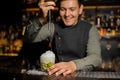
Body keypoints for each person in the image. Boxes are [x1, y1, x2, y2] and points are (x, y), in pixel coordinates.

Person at [23, 0, 102, 76]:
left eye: (72, 9)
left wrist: (73, 65)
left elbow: (95, 58)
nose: (67, 14)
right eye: (63, 9)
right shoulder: (53, 27)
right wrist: (41, 17)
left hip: (82, 76)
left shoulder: (90, 29)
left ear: (80, 9)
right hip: (57, 75)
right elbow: (29, 38)